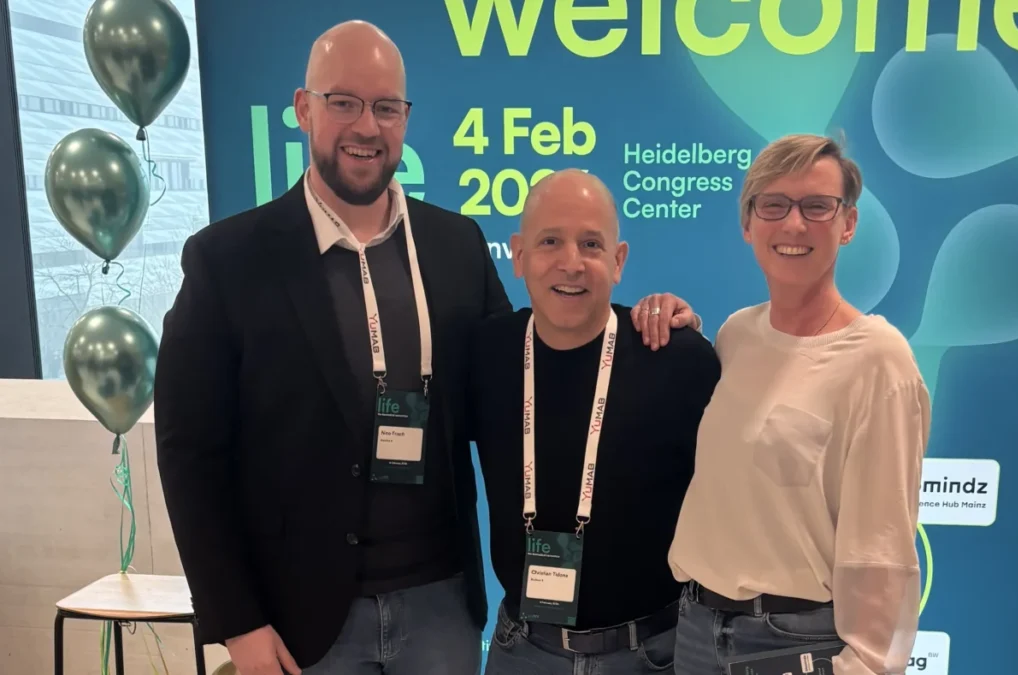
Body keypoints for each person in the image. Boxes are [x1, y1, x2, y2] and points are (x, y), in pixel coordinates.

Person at [153, 20, 698, 675]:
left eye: (386, 107)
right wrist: (237, 619)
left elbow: (533, 364)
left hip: (439, 608)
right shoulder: (228, 259)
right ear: (302, 108)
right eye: (343, 101)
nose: (366, 125)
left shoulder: (453, 245)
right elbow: (189, 452)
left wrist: (643, 319)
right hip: (303, 616)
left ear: (405, 119)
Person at [668, 133, 931, 675]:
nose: (793, 225)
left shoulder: (879, 361)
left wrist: (866, 666)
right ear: (748, 223)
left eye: (817, 206)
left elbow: (883, 552)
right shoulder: (737, 334)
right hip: (694, 629)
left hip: (793, 642)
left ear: (848, 224)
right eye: (774, 205)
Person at [467, 169, 722, 675]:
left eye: (590, 244)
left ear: (619, 260)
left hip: (655, 653)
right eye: (549, 241)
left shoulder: (678, 358)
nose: (571, 263)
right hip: (522, 652)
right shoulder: (484, 355)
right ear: (518, 255)